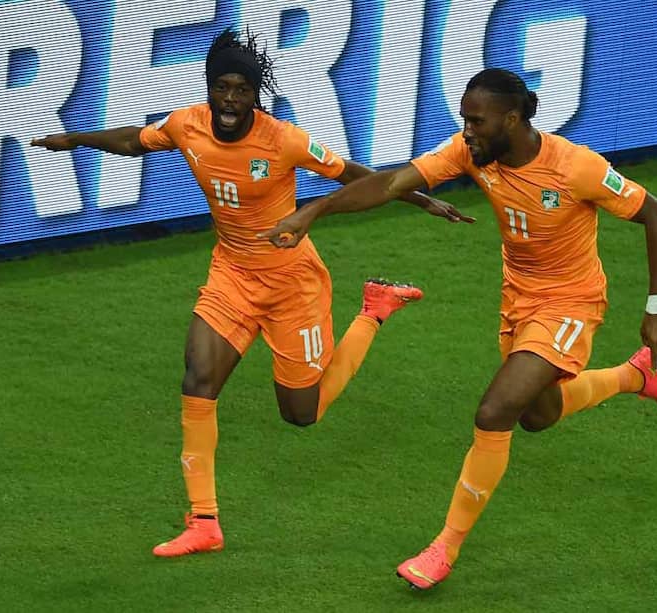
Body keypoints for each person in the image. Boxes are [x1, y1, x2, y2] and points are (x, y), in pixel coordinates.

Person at [31, 29, 473, 558]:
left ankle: (375, 311)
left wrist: (422, 200)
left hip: (293, 286)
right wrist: (75, 140)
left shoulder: (283, 139)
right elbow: (134, 142)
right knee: (198, 379)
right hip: (233, 276)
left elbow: (352, 174)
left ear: (256, 95)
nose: (232, 100)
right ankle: (203, 522)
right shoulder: (185, 124)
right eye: (223, 87)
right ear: (210, 86)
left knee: (301, 414)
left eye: (243, 90)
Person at [261, 68, 657, 589]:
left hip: (571, 304)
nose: (467, 130)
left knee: (495, 410)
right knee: (537, 415)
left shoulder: (576, 168)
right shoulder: (470, 152)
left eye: (476, 121)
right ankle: (634, 377)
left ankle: (444, 548)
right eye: (463, 119)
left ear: (512, 118)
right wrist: (315, 210)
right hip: (517, 300)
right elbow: (392, 182)